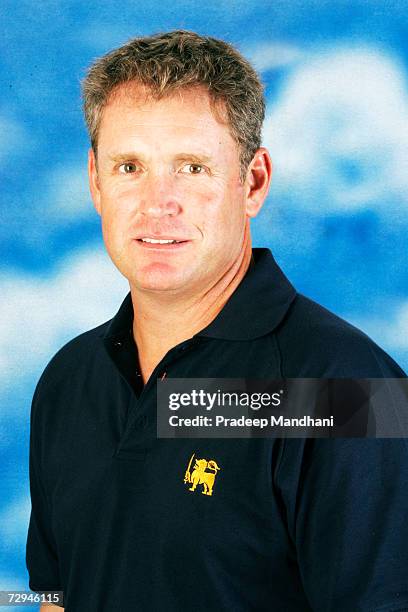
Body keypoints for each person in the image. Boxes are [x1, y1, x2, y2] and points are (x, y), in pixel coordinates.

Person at [26, 30, 408, 611]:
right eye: (130, 166)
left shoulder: (353, 390)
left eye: (192, 167)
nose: (158, 203)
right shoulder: (66, 380)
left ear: (252, 182)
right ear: (95, 180)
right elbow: (53, 597)